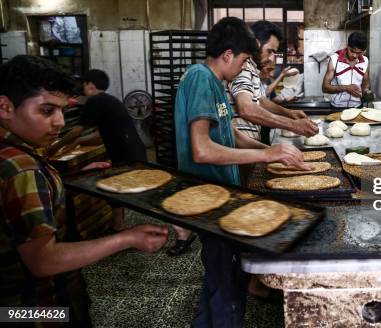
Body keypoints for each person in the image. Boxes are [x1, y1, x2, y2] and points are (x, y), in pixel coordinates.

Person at [0, 55, 168, 325]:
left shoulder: (15, 154)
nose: (59, 122)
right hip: (34, 309)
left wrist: (67, 180)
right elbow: (43, 260)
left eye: (62, 111)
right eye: (47, 111)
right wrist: (127, 239)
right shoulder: (22, 168)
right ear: (5, 107)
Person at [173, 17, 309, 327]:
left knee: (224, 277)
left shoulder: (217, 86)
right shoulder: (199, 78)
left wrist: (267, 154)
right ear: (227, 55)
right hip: (208, 196)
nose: (246, 66)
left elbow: (230, 134)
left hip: (223, 194)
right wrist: (270, 151)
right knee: (224, 282)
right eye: (245, 59)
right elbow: (202, 149)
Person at [49, 69, 146, 232]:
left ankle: (119, 227)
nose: (83, 88)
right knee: (118, 190)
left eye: (84, 84)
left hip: (125, 154)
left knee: (127, 191)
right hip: (132, 150)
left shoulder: (95, 102)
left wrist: (53, 148)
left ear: (90, 85)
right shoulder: (109, 100)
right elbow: (100, 135)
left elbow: (76, 130)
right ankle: (118, 225)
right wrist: (78, 141)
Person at [226, 20, 317, 141]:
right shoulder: (243, 67)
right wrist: (292, 124)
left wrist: (289, 113)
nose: (271, 58)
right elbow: (246, 108)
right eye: (269, 51)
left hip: (249, 145)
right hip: (239, 151)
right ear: (257, 43)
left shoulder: (252, 68)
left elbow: (261, 101)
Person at [322, 31, 372, 108]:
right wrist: (346, 88)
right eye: (352, 51)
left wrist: (366, 92)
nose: (355, 55)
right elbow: (325, 87)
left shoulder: (365, 61)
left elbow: (365, 83)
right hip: (337, 107)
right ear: (347, 46)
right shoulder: (335, 59)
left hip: (356, 107)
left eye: (359, 53)